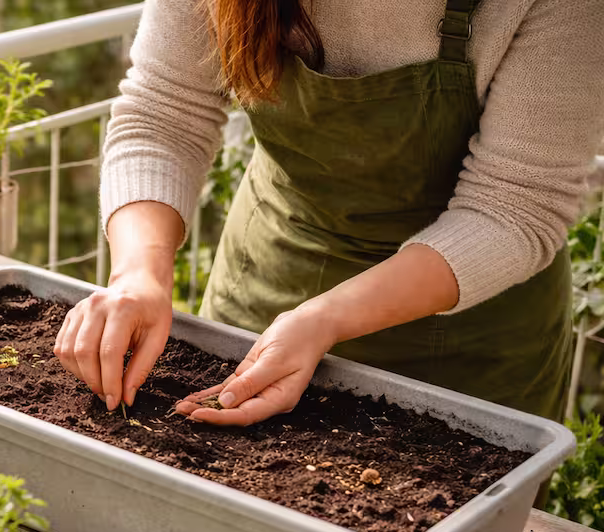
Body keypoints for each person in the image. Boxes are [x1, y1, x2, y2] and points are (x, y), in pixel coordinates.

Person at [55, 0, 604, 426]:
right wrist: (139, 273)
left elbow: (514, 206)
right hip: (268, 280)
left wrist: (325, 319)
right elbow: (163, 114)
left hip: (467, 345)